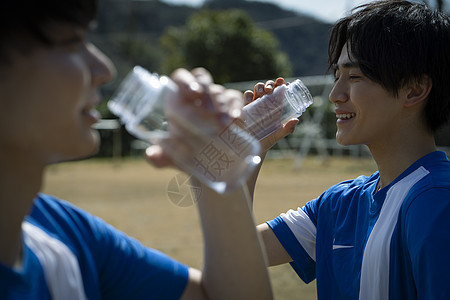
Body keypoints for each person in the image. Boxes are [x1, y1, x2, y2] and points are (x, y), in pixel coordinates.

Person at [0, 0, 273, 299]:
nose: (104, 69)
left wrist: (215, 162)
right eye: (71, 42)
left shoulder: (67, 236)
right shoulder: (61, 241)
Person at [243, 1, 450, 299]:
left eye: (354, 77)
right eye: (336, 76)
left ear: (414, 89)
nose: (335, 95)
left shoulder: (437, 200)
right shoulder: (339, 203)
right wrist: (249, 153)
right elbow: (237, 250)